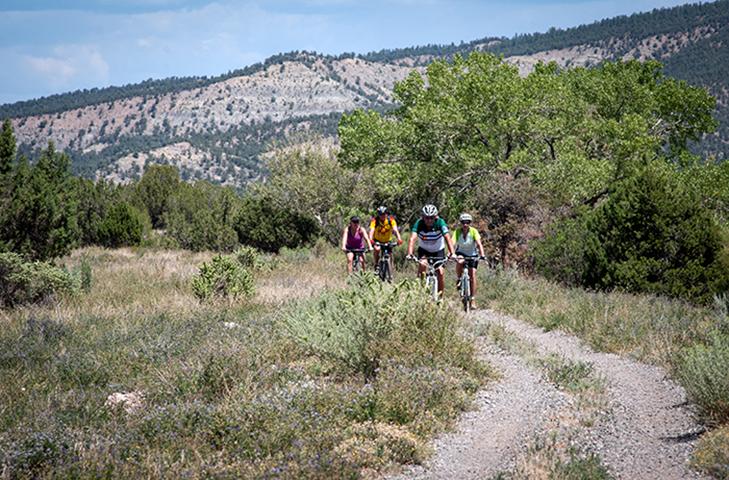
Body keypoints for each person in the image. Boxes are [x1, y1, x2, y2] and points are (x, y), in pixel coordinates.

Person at [406, 204, 456, 297]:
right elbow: (412, 238)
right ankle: (419, 290)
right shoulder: (419, 223)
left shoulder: (440, 222)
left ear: (435, 217)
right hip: (424, 250)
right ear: (423, 217)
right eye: (426, 218)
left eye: (431, 218)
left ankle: (440, 297)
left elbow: (447, 237)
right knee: (422, 264)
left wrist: (452, 253)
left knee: (440, 272)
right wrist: (410, 253)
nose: (429, 220)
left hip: (438, 250)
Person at [453, 213, 486, 309]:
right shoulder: (457, 232)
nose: (465, 224)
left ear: (470, 223)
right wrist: (451, 254)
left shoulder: (473, 231)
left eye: (467, 222)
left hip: (472, 254)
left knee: (473, 274)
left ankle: (472, 299)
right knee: (459, 261)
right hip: (461, 253)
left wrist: (482, 255)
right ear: (461, 223)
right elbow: (452, 243)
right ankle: (459, 278)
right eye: (463, 222)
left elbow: (479, 244)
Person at [369, 206, 403, 272]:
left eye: (384, 214)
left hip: (387, 240)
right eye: (381, 214)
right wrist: (370, 239)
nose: (383, 216)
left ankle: (390, 270)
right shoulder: (375, 221)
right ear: (378, 215)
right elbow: (371, 230)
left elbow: (395, 230)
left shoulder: (391, 220)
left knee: (390, 254)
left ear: (386, 214)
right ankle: (376, 265)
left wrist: (399, 239)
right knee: (377, 249)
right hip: (377, 240)